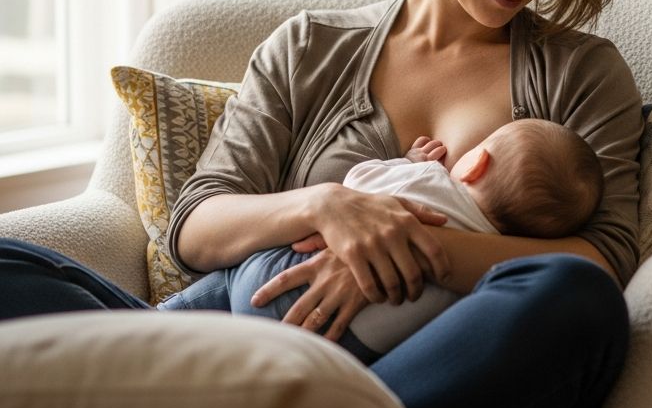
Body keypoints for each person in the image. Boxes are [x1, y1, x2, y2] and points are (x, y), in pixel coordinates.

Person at [0, 0, 643, 408]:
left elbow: (601, 259)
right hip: (232, 327)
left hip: (427, 357)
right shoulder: (309, 48)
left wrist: (421, 252)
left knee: (577, 302)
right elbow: (195, 227)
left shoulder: (580, 72)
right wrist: (326, 207)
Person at [158, 118, 605, 364]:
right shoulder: (488, 267)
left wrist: (405, 163)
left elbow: (359, 182)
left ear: (474, 165)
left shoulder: (430, 178)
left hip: (273, 284)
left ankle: (158, 319)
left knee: (234, 273)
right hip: (346, 353)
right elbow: (195, 224)